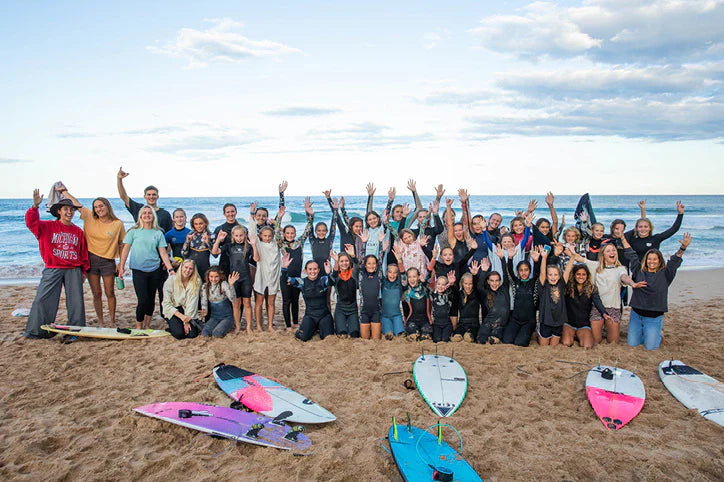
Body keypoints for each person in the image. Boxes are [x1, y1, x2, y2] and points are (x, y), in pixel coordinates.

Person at [21, 190, 89, 340]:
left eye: (71, 209)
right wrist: (34, 206)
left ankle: (75, 332)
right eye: (65, 209)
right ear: (59, 211)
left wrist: (84, 270)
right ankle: (36, 331)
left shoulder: (78, 231)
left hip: (73, 269)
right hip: (53, 268)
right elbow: (31, 223)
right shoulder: (47, 227)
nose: (69, 212)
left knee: (76, 302)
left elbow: (83, 252)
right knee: (42, 299)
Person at [62, 188, 125, 327]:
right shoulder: (89, 216)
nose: (98, 209)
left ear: (107, 206)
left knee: (110, 292)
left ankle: (112, 322)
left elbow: (122, 245)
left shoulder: (117, 224)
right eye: (96, 207)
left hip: (108, 261)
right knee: (96, 293)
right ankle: (101, 322)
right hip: (90, 260)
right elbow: (76, 203)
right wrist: (64, 191)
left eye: (101, 206)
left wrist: (121, 264)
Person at [622, 232, 691, 350]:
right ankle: (646, 333)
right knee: (632, 344)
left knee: (650, 347)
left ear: (659, 261)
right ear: (646, 260)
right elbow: (631, 254)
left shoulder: (665, 274)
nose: (651, 261)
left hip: (654, 317)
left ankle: (658, 334)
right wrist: (622, 238)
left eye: (655, 259)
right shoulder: (638, 271)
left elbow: (674, 261)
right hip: (637, 315)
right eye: (649, 259)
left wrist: (683, 247)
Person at [118, 205, 175, 329]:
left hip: (155, 270)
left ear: (153, 216)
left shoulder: (158, 233)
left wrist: (170, 269)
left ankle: (147, 326)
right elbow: (125, 249)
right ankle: (139, 326)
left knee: (151, 299)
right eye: (144, 213)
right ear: (140, 216)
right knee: (143, 300)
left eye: (149, 213)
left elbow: (163, 253)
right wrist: (121, 267)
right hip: (138, 270)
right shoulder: (133, 231)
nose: (147, 215)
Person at [276, 200, 314, 332]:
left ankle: (296, 322)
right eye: (288, 233)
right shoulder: (282, 244)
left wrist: (310, 215)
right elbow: (276, 232)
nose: (290, 235)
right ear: (284, 234)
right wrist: (279, 218)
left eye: (292, 233)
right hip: (285, 277)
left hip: (297, 277)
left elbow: (308, 229)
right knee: (286, 301)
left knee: (295, 300)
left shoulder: (299, 243)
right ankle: (287, 325)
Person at [211, 226, 255, 333]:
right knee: (236, 304)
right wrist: (218, 240)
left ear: (245, 235)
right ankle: (238, 326)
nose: (239, 238)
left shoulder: (248, 247)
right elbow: (214, 252)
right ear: (233, 236)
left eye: (241, 235)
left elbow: (256, 259)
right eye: (236, 235)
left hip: (246, 278)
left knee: (247, 303)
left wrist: (254, 245)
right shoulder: (229, 246)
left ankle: (249, 327)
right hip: (233, 278)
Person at [282, 259, 334, 341]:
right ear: (305, 270)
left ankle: (318, 327)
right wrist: (284, 268)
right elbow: (285, 280)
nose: (313, 271)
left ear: (319, 270)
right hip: (310, 316)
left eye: (315, 269)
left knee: (327, 338)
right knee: (303, 337)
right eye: (310, 269)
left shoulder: (323, 280)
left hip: (324, 315)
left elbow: (331, 282)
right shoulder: (302, 282)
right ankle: (312, 327)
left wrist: (329, 273)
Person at [561, 264, 607, 349]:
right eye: (578, 274)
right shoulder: (568, 287)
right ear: (574, 275)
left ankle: (579, 336)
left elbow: (597, 302)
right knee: (567, 343)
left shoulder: (592, 288)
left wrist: (604, 313)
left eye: (583, 274)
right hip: (569, 323)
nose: (581, 276)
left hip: (583, 324)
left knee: (587, 345)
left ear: (587, 275)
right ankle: (571, 336)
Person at [116, 167, 172, 232]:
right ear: (144, 196)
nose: (151, 197)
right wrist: (119, 179)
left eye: (154, 194)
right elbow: (123, 196)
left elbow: (169, 234)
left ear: (157, 196)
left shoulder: (165, 214)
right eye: (149, 194)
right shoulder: (138, 209)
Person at [502, 253, 540, 347]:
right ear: (518, 272)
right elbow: (509, 272)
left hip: (529, 321)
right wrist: (510, 258)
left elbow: (538, 273)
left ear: (530, 271)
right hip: (515, 319)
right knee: (507, 340)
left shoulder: (533, 283)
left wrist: (536, 261)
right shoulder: (515, 283)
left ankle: (528, 332)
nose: (524, 273)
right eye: (521, 270)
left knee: (520, 342)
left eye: (526, 270)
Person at [248, 219, 280, 332]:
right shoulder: (258, 244)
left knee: (271, 303)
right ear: (260, 235)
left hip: (273, 277)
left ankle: (270, 325)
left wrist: (278, 219)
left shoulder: (276, 245)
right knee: (259, 302)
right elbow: (251, 233)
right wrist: (252, 217)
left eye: (269, 236)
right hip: (261, 275)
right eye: (265, 235)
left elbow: (279, 233)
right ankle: (258, 326)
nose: (267, 238)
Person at [536, 248, 572, 346]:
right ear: (547, 276)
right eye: (550, 275)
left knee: (553, 346)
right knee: (544, 346)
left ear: (559, 276)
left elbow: (568, 270)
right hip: (546, 321)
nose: (553, 277)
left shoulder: (561, 284)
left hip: (558, 321)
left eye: (555, 275)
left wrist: (572, 256)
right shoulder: (543, 285)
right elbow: (542, 272)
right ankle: (538, 334)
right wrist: (544, 258)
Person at [471, 258, 510, 344]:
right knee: (481, 340)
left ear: (500, 282)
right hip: (488, 323)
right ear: (488, 282)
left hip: (500, 324)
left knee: (494, 338)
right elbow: (479, 286)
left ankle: (495, 338)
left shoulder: (504, 290)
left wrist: (502, 259)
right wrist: (484, 271)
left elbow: (506, 274)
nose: (494, 283)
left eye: (497, 281)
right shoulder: (486, 293)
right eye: (492, 281)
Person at [162, 259, 202, 339]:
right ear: (181, 267)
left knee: (192, 334)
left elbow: (192, 303)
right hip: (173, 310)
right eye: (186, 267)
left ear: (194, 271)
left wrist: (186, 322)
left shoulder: (196, 282)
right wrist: (182, 317)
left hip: (187, 310)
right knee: (179, 334)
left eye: (191, 269)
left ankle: (179, 326)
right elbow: (166, 304)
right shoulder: (171, 280)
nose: (187, 270)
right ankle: (172, 327)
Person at [328, 246, 360, 338]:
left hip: (353, 310)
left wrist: (353, 255)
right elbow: (331, 280)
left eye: (346, 261)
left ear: (349, 262)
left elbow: (357, 265)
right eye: (341, 261)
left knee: (355, 334)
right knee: (342, 334)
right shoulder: (336, 275)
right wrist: (335, 262)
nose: (344, 263)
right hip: (340, 310)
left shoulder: (353, 273)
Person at [199, 267, 240, 337]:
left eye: (216, 277)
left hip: (226, 317)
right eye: (211, 277)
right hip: (214, 317)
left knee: (216, 334)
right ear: (208, 276)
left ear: (220, 276)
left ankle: (229, 325)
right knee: (205, 333)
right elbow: (204, 302)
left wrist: (231, 285)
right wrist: (204, 311)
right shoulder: (205, 286)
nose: (213, 279)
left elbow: (233, 299)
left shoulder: (223, 284)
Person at [212, 203, 240, 274]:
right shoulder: (219, 229)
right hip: (225, 263)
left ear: (236, 212)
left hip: (240, 264)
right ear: (224, 214)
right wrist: (218, 240)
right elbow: (215, 254)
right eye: (228, 212)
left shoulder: (243, 229)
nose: (230, 214)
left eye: (232, 211)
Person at [404, 267, 431, 340]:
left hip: (425, 320)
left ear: (418, 277)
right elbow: (407, 310)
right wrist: (406, 322)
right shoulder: (407, 292)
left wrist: (424, 282)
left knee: (425, 337)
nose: (412, 279)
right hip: (412, 320)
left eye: (414, 276)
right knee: (412, 335)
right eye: (409, 277)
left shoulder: (425, 289)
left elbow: (429, 273)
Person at [182, 213, 212, 279]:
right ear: (193, 225)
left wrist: (208, 242)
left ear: (205, 223)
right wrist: (187, 242)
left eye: (201, 223)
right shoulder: (190, 234)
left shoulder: (210, 235)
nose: (198, 226)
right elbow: (184, 254)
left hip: (204, 267)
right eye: (196, 224)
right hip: (190, 268)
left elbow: (215, 255)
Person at [380, 263, 406, 339]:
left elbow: (403, 276)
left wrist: (400, 261)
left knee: (400, 335)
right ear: (386, 273)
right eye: (390, 272)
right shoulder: (383, 283)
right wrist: (383, 253)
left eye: (395, 272)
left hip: (397, 316)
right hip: (385, 316)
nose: (392, 275)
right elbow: (379, 268)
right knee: (388, 336)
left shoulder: (399, 284)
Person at [430, 273, 456, 342]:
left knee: (445, 339)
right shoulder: (433, 295)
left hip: (447, 323)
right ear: (436, 284)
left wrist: (451, 284)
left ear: (446, 285)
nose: (440, 286)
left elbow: (454, 291)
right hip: (436, 323)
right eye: (438, 284)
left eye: (443, 284)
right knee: (436, 340)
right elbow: (426, 288)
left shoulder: (448, 295)